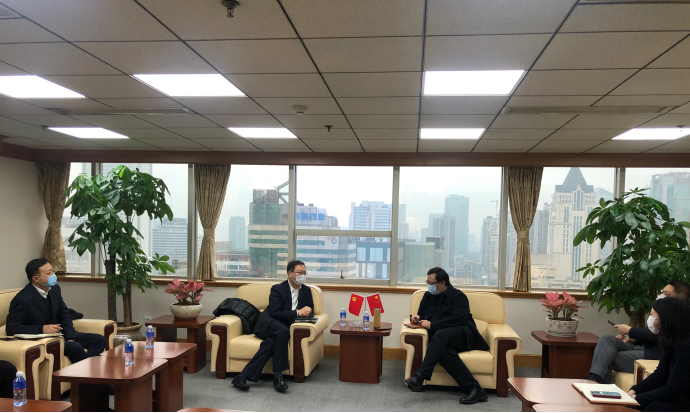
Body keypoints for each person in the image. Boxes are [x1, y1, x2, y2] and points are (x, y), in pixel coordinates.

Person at [404, 267, 490, 405]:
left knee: (440, 334)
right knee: (444, 353)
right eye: (427, 282)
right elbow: (422, 314)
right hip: (441, 339)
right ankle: (474, 389)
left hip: (461, 334)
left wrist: (433, 325)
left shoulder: (458, 296)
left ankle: (420, 375)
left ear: (442, 283)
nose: (429, 286)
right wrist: (416, 318)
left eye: (431, 283)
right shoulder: (427, 296)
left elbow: (458, 319)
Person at [585, 279, 690, 384]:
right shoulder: (663, 311)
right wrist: (632, 339)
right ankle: (595, 378)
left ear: (680, 297)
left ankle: (597, 383)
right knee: (607, 339)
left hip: (651, 354)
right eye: (662, 292)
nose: (661, 296)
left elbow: (662, 338)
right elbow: (651, 332)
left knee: (607, 358)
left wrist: (630, 330)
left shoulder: (679, 319)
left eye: (666, 294)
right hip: (641, 348)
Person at [232, 260, 314, 393]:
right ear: (290, 274)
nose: (303, 275)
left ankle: (242, 376)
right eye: (300, 272)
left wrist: (307, 312)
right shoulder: (278, 289)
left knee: (272, 342)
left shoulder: (307, 291)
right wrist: (298, 312)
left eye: (305, 273)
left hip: (282, 327)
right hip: (268, 322)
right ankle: (278, 377)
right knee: (283, 331)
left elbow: (310, 310)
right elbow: (276, 313)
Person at [6, 259, 105, 364]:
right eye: (49, 273)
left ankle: (88, 370)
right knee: (75, 347)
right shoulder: (23, 299)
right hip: (42, 340)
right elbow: (12, 327)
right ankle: (86, 373)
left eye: (52, 271)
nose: (53, 275)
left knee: (99, 339)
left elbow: (64, 313)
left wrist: (70, 336)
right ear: (36, 279)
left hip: (59, 335)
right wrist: (41, 328)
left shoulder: (54, 289)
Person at [628, 298, 690, 411]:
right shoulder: (672, 341)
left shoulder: (686, 348)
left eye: (652, 316)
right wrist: (635, 390)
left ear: (666, 319)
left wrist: (637, 399)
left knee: (654, 407)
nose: (651, 321)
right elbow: (660, 374)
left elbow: (674, 390)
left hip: (683, 402)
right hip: (675, 399)